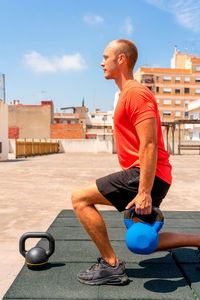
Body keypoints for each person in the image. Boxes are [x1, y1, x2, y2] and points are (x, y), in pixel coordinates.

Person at [71, 39, 200, 286]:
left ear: (122, 59)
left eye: (106, 57)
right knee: (143, 242)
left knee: (80, 198)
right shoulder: (124, 95)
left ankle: (110, 266)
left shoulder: (136, 93)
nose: (101, 62)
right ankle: (199, 240)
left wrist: (143, 191)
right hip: (153, 175)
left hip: (145, 173)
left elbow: (149, 144)